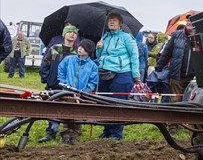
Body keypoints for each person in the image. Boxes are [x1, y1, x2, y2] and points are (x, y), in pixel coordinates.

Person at [96, 12, 140, 140]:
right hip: (104, 73)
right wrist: (98, 48)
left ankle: (116, 134)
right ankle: (107, 130)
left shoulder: (127, 37)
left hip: (122, 74)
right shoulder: (105, 37)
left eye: (114, 20)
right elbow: (99, 56)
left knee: (117, 105)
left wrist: (135, 74)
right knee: (105, 104)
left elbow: (134, 56)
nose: (111, 22)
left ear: (120, 23)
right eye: (109, 20)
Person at [38, 25, 78, 142]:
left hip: (70, 87)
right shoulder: (54, 49)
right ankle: (51, 132)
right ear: (64, 34)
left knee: (69, 109)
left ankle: (67, 133)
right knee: (51, 109)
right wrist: (47, 78)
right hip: (53, 84)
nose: (72, 34)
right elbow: (45, 64)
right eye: (69, 32)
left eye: (74, 32)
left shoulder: (77, 52)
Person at [156, 16, 195, 132]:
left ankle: (189, 126)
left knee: (191, 102)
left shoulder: (200, 36)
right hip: (176, 74)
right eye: (188, 21)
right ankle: (173, 127)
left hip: (194, 77)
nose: (189, 23)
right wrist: (159, 67)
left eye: (191, 21)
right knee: (174, 101)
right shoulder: (177, 35)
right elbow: (167, 51)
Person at [56, 39, 98, 144]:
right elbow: (61, 69)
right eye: (79, 46)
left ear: (88, 51)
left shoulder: (92, 66)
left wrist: (85, 91)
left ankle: (75, 134)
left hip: (81, 95)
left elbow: (93, 82)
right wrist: (63, 82)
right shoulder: (69, 59)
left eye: (83, 48)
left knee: (78, 115)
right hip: (67, 92)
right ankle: (65, 134)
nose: (80, 49)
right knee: (66, 113)